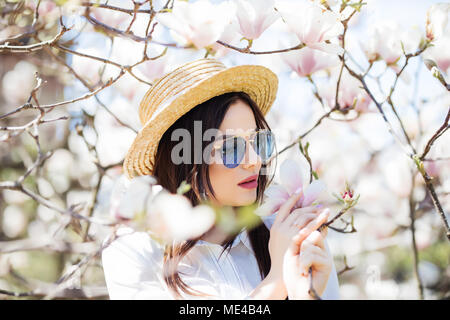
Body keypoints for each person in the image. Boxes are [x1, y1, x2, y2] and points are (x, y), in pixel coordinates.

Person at [102, 58, 340, 300]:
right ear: (185, 159)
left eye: (258, 142)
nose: (254, 160)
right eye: (230, 149)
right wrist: (277, 281)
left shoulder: (288, 236)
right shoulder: (135, 250)